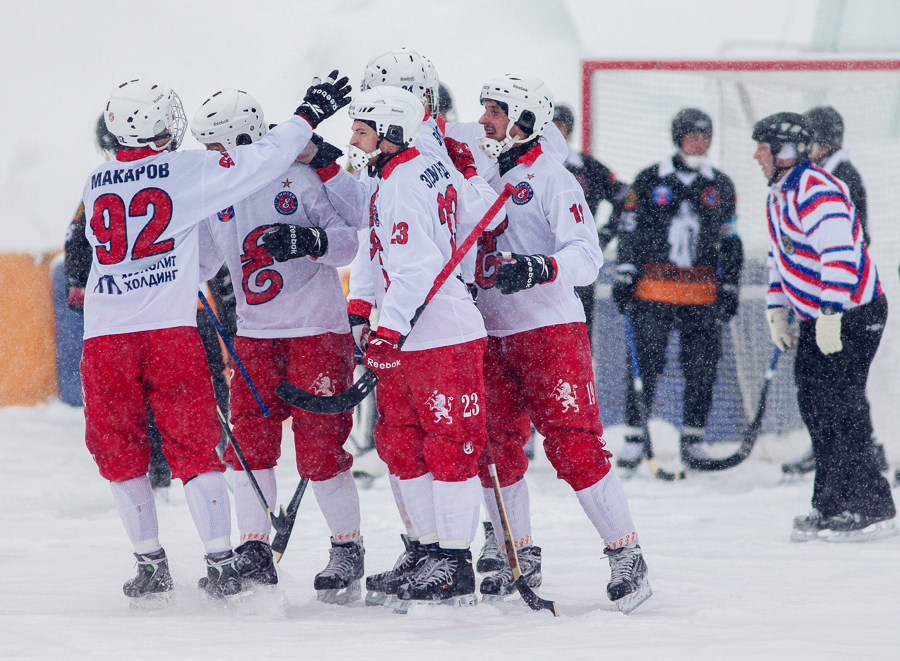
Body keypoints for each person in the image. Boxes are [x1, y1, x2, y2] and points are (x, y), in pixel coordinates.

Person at [80, 72, 350, 606]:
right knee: (196, 445)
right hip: (166, 331)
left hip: (105, 333)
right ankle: (222, 557)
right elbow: (261, 162)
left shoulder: (95, 181)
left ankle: (149, 560)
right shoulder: (188, 168)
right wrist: (306, 116)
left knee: (120, 452)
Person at [471, 74, 651, 614]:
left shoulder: (554, 177)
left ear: (524, 120)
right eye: (482, 111)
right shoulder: (478, 172)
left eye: (494, 112)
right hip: (490, 331)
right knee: (495, 451)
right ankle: (514, 553)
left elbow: (587, 257)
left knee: (573, 446)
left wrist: (538, 266)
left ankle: (627, 553)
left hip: (549, 333)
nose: (484, 121)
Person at [191, 88, 366, 604]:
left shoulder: (297, 174)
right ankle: (253, 548)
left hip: (316, 332)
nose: (210, 157)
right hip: (253, 336)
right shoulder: (215, 190)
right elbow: (199, 264)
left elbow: (351, 241)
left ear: (243, 139)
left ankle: (347, 547)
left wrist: (310, 242)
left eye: (215, 145)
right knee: (248, 444)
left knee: (320, 451)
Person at [340, 86, 493, 607]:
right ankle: (429, 551)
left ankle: (453, 562)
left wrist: (389, 330)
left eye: (362, 131)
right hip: (417, 331)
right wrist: (365, 308)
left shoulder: (405, 181)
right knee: (403, 442)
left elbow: (418, 267)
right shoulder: (407, 171)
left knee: (449, 446)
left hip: (439, 333)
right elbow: (386, 247)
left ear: (392, 133)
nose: (354, 140)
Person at [752, 112, 897, 543]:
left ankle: (870, 506)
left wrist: (831, 312)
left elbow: (840, 257)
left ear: (786, 151)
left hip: (854, 312)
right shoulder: (779, 194)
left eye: (764, 146)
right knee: (816, 405)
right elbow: (782, 259)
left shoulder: (818, 190)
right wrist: (777, 309)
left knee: (841, 406)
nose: (756, 155)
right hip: (821, 315)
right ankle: (831, 503)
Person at [612, 108, 743, 471]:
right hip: (653, 293)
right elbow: (629, 232)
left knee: (701, 369)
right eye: (694, 135)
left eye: (706, 135)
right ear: (678, 137)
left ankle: (694, 438)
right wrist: (624, 275)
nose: (701, 142)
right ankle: (636, 438)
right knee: (644, 367)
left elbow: (730, 241)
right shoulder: (650, 179)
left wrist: (730, 285)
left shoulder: (720, 184)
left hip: (701, 296)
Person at [781, 105, 885, 475]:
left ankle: (864, 451)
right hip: (837, 296)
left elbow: (850, 240)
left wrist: (828, 298)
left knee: (843, 388)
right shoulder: (825, 173)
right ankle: (850, 447)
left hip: (847, 300)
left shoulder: (838, 176)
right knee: (837, 388)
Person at [551, 103, 628, 348]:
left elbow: (626, 197)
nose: (553, 131)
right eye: (548, 125)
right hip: (536, 258)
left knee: (579, 336)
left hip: (577, 262)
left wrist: (603, 236)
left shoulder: (589, 168)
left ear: (569, 131)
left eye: (559, 126)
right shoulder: (526, 164)